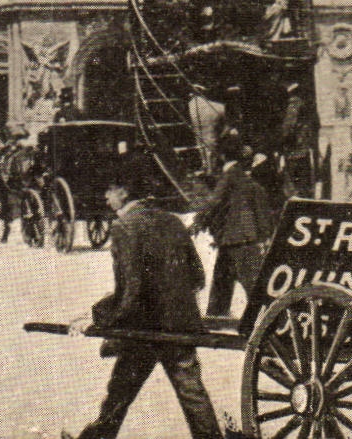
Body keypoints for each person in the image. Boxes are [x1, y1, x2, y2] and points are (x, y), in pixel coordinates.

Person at [67, 170, 223, 439]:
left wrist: (97, 315)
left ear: (125, 192)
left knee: (121, 389)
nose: (105, 197)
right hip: (179, 324)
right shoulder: (172, 221)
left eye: (110, 189)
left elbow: (131, 291)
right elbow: (197, 276)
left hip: (145, 330)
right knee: (191, 394)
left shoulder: (125, 226)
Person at [189, 137, 276, 320]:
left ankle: (267, 317)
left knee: (248, 284)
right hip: (242, 237)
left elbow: (214, 203)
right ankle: (217, 315)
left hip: (236, 238)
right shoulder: (244, 177)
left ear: (221, 156)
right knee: (225, 280)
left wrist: (196, 224)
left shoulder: (229, 175)